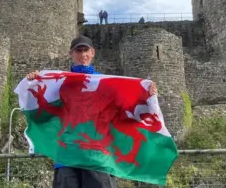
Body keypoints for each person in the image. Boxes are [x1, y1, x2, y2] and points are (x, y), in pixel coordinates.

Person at [26, 35, 158, 188]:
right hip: (67, 156)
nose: (83, 55)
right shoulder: (59, 85)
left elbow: (125, 111)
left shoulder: (107, 84)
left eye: (86, 50)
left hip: (97, 157)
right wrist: (33, 84)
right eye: (79, 51)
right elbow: (40, 112)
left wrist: (146, 96)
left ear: (93, 52)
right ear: (71, 54)